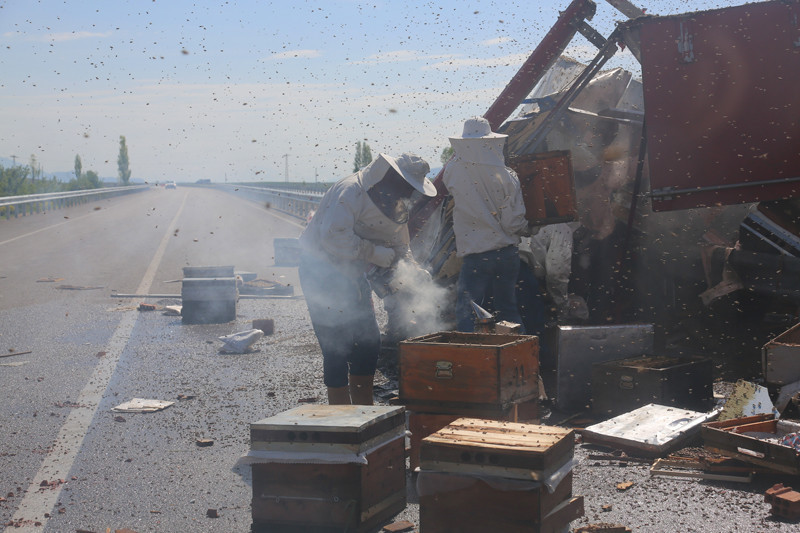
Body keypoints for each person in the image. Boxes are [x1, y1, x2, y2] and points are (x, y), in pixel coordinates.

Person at [298, 153, 436, 405]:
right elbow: (333, 236)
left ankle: (363, 410)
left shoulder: (394, 202)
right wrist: (372, 252)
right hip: (320, 269)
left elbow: (398, 244)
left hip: (353, 272)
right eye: (405, 186)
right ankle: (340, 412)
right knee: (336, 344)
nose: (406, 193)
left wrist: (414, 270)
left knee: (368, 342)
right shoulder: (351, 191)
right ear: (390, 177)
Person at [443, 117, 530, 332]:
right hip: (506, 253)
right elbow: (513, 223)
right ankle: (522, 359)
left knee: (467, 310)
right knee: (508, 310)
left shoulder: (452, 171)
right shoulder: (507, 175)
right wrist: (529, 230)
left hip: (476, 255)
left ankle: (470, 360)